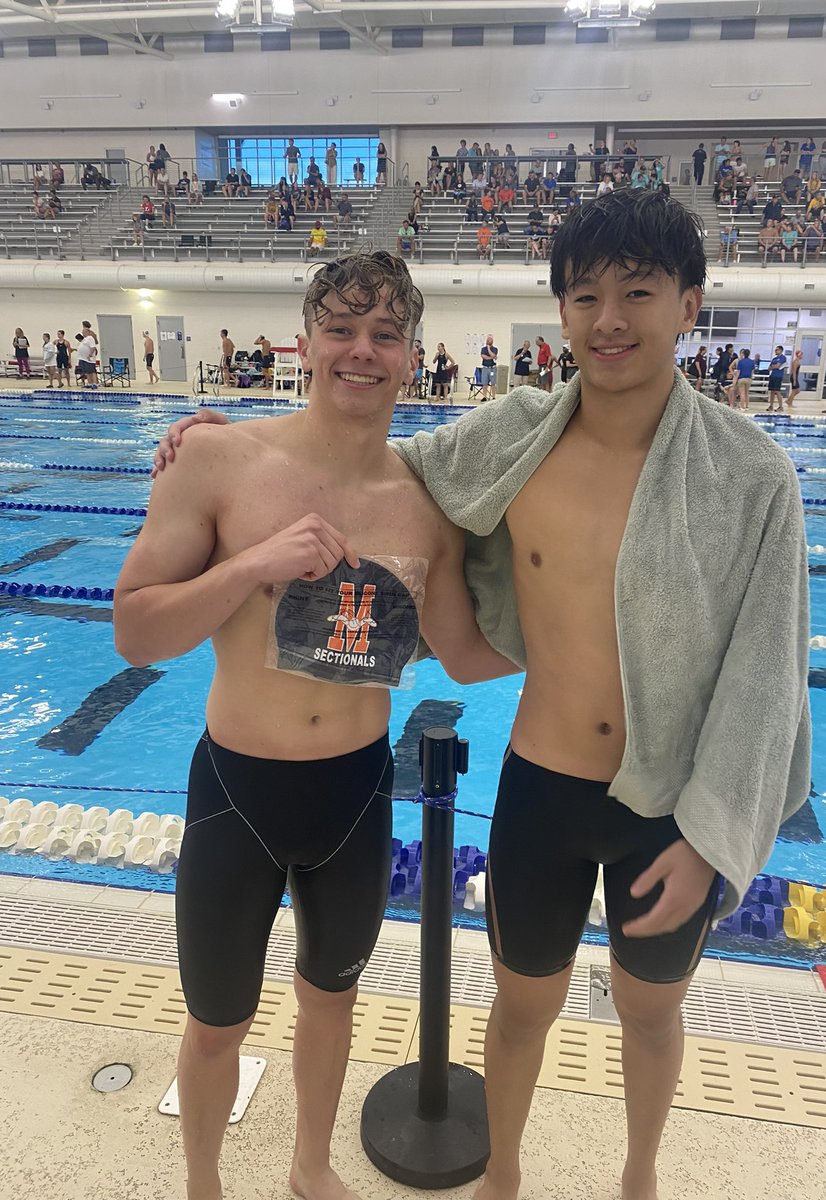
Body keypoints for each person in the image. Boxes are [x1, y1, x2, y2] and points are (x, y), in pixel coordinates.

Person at [157, 194, 811, 1200]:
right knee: (518, 1011)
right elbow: (367, 463)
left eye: (638, 293)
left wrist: (715, 831)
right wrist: (222, 444)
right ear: (559, 313)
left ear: (690, 306)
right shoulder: (514, 438)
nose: (610, 319)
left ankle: (639, 1177)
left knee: (649, 1012)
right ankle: (501, 1180)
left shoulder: (751, 475)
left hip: (668, 804)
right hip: (541, 789)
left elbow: (769, 671)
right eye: (586, 296)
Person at [118, 251, 516, 1200]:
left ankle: (309, 1167)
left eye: (385, 334)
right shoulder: (217, 458)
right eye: (341, 328)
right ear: (306, 341)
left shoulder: (427, 505)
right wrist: (250, 568)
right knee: (217, 1020)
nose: (361, 351)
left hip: (353, 796)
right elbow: (136, 630)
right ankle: (203, 1185)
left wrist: (605, 646)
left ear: (414, 356)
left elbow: (463, 653)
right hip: (238, 796)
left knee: (330, 1001)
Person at [766, 345, 788, 412]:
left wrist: (774, 366)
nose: (775, 351)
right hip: (772, 376)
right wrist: (774, 366)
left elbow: (778, 366)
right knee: (772, 391)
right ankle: (771, 406)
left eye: (777, 350)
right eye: (775, 350)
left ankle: (781, 407)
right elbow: (769, 368)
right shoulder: (774, 359)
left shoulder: (783, 357)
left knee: (777, 391)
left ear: (781, 350)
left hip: (778, 377)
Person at [480, 336, 499, 401]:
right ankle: (484, 396)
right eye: (487, 340)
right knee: (484, 383)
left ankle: (493, 396)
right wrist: (491, 357)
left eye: (490, 340)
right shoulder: (483, 349)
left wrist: (488, 349)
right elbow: (483, 356)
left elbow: (493, 355)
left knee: (493, 383)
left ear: (492, 341)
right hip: (485, 368)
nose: (488, 341)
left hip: (492, 369)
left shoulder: (495, 349)